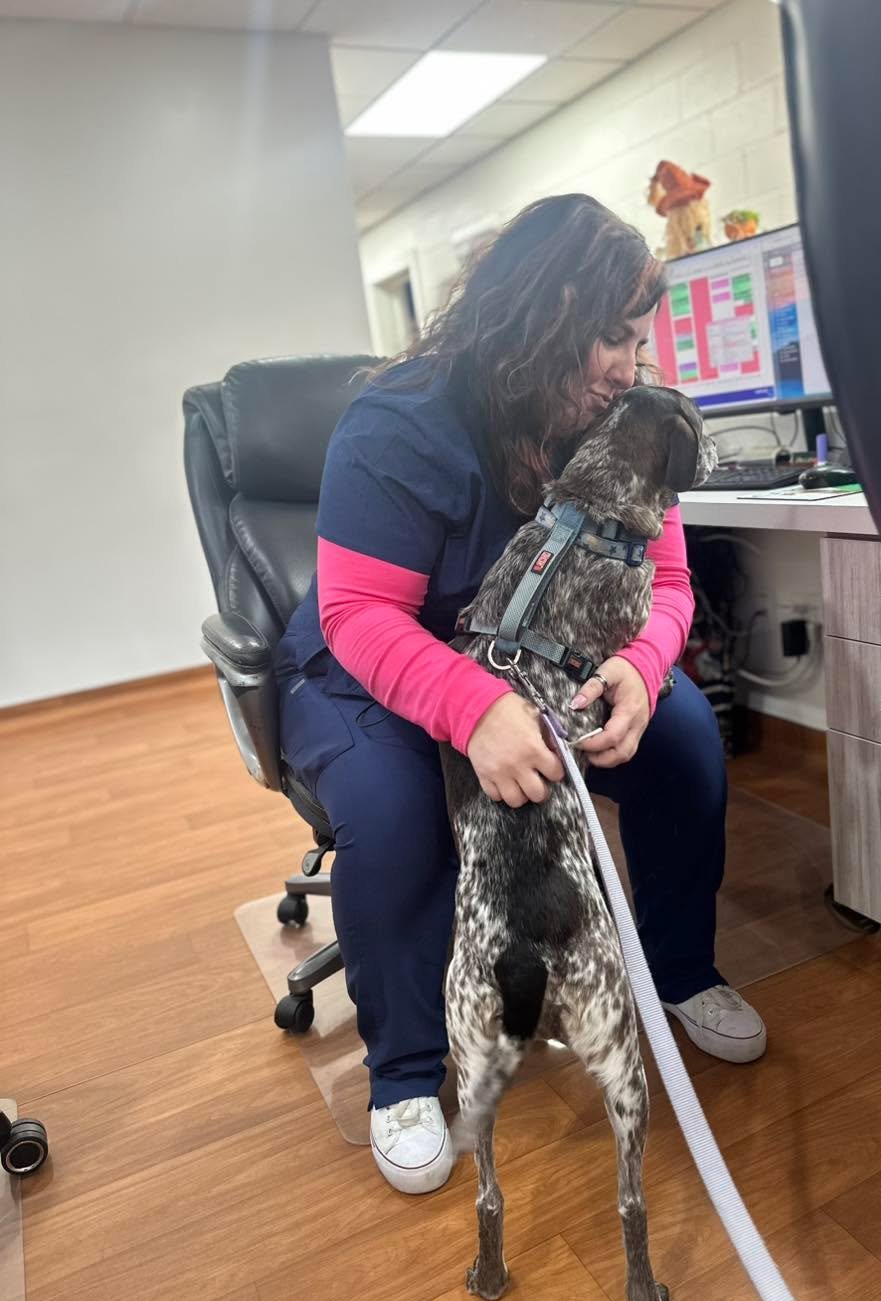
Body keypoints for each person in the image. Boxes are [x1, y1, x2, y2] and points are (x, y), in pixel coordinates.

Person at [275, 194, 766, 1195]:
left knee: (681, 742)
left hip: (550, 655)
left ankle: (681, 970)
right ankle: (406, 1073)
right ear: (537, 317)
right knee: (393, 807)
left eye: (641, 340)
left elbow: (666, 584)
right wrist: (472, 708)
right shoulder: (400, 423)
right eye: (609, 339)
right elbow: (362, 614)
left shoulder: (623, 419)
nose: (631, 366)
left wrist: (642, 664)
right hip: (382, 658)